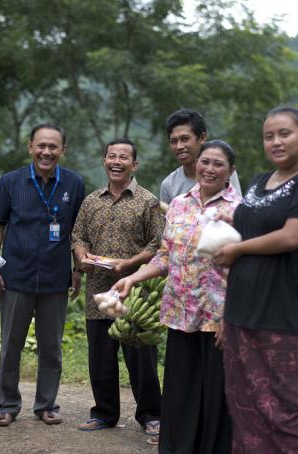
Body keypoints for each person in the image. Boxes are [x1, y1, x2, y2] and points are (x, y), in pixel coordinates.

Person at [214, 107, 298, 453]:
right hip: (241, 313)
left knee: (290, 410)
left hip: (286, 316)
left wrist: (238, 250)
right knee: (246, 404)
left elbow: (291, 237)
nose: (276, 142)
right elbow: (245, 225)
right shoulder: (257, 182)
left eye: (285, 133)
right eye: (269, 136)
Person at [114, 140, 240, 451]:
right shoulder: (180, 203)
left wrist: (234, 315)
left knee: (216, 393)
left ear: (231, 172)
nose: (209, 169)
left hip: (218, 316)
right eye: (205, 162)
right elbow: (165, 255)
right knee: (181, 390)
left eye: (218, 164)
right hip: (181, 312)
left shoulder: (239, 210)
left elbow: (246, 267)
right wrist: (133, 277)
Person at [0, 123, 86, 427]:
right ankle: (7, 404)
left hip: (56, 278)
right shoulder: (11, 182)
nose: (46, 152)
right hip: (15, 276)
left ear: (63, 150)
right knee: (11, 345)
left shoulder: (73, 183)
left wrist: (77, 268)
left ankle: (46, 404)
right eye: (41, 145)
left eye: (53, 147)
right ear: (30, 147)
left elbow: (79, 231)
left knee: (51, 346)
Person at [71, 138, 164, 435]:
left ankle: (150, 414)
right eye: (111, 156)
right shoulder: (91, 200)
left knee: (141, 358)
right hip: (98, 289)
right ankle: (104, 413)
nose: (116, 161)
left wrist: (129, 264)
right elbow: (78, 236)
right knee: (100, 357)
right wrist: (81, 257)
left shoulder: (147, 201)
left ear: (134, 165)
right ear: (104, 161)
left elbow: (158, 244)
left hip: (136, 292)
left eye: (123, 157)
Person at [161, 108, 242, 204]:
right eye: (173, 141)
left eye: (185, 139)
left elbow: (238, 210)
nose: (179, 147)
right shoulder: (169, 185)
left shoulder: (222, 172)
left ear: (202, 137)